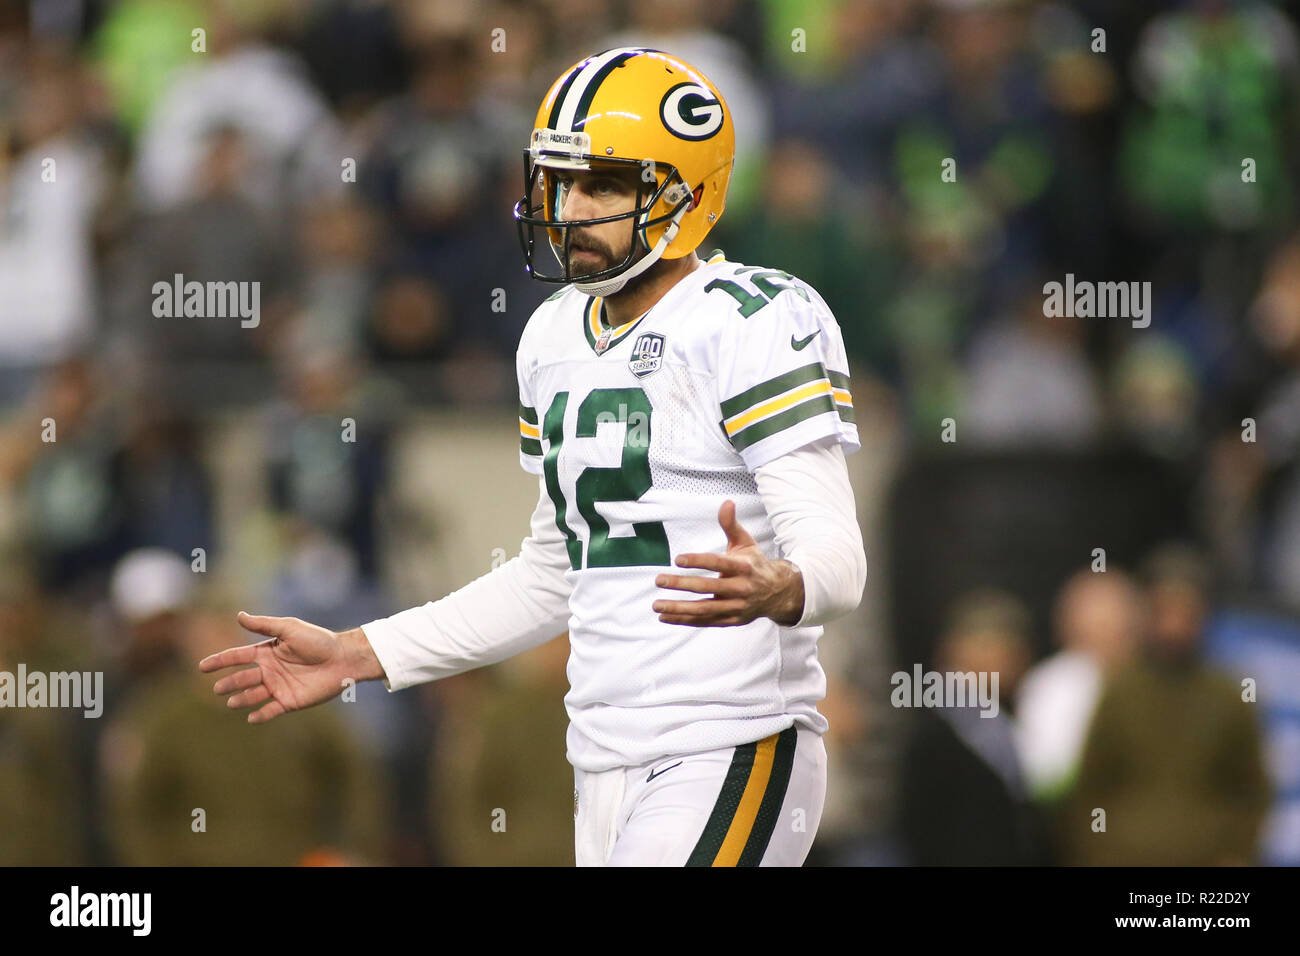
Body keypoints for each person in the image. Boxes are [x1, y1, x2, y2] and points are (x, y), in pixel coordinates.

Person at [201, 48, 867, 867]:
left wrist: (787, 585)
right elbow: (553, 576)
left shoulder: (751, 319)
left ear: (685, 195)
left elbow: (840, 558)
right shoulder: (552, 334)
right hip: (600, 758)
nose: (570, 206)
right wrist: (358, 654)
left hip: (735, 742)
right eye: (561, 181)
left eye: (604, 185)